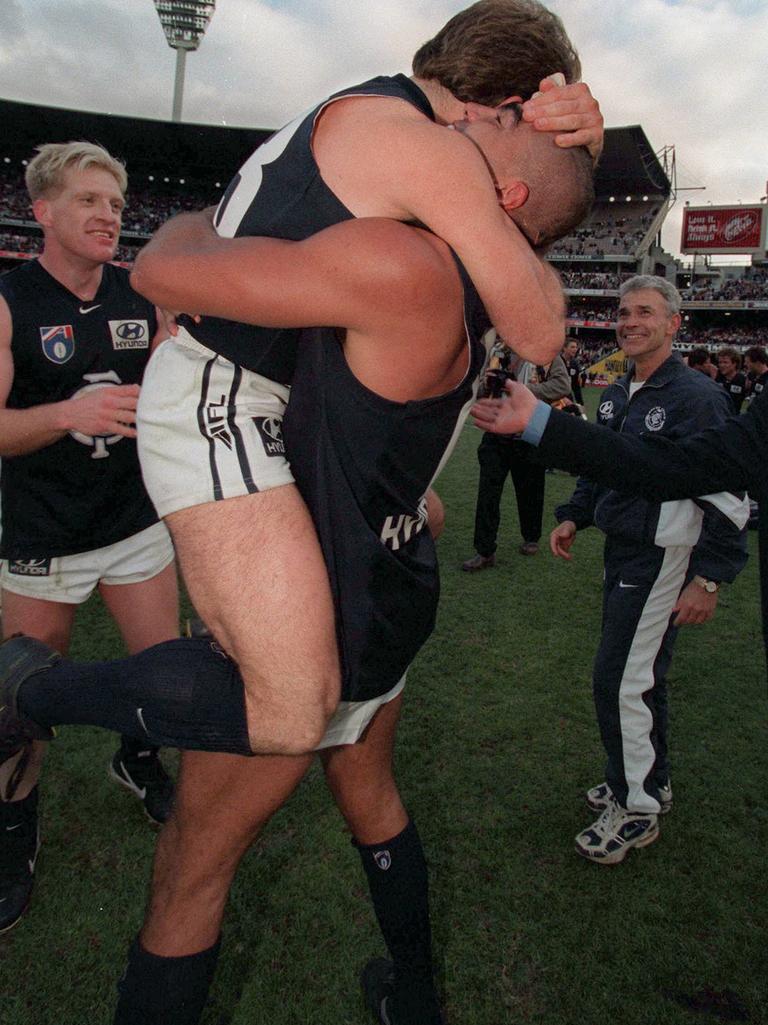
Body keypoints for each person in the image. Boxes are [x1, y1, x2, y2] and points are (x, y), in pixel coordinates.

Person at [0, 121, 596, 1022]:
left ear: (502, 194)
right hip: (391, 597)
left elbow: (168, 270)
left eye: (479, 135)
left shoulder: (403, 266)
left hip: (309, 598)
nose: (443, 141)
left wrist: (205, 213)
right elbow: (412, 474)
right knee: (374, 799)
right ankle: (415, 994)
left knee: (198, 862)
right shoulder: (472, 306)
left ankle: (30, 688)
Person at [94, 0, 600, 762]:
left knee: (328, 644)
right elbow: (537, 327)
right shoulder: (429, 146)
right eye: (530, 119)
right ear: (508, 105)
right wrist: (563, 159)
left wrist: (566, 159)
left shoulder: (370, 111)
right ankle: (36, 690)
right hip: (226, 387)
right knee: (294, 706)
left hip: (265, 394)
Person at [475, 276, 748, 865]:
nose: (629, 321)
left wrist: (709, 577)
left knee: (621, 679)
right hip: (626, 550)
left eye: (645, 312)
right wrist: (576, 513)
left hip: (662, 558)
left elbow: (730, 491)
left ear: (675, 324)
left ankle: (637, 805)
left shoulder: (696, 397)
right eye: (624, 312)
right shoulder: (620, 388)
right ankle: (646, 777)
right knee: (636, 675)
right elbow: (610, 459)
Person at [0, 142, 179, 932]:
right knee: (19, 710)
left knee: (166, 677)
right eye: (89, 200)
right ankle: (12, 840)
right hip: (41, 538)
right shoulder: (8, 302)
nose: (109, 214)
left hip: (133, 527)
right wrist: (65, 415)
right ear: (43, 212)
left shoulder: (142, 295)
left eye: (116, 202)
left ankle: (135, 756)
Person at [462, 340, 570, 568]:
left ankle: (531, 537)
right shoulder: (495, 351)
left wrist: (522, 391)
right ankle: (484, 550)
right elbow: (479, 387)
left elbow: (562, 385)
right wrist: (487, 386)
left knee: (530, 490)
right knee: (487, 494)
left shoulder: (544, 352)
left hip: (528, 434)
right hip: (496, 433)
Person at [716, 346, 747, 412]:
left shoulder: (743, 380)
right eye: (720, 362)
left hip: (733, 419)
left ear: (734, 364)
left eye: (725, 362)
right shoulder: (716, 377)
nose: (721, 365)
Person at [562, 336, 585, 404]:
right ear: (564, 348)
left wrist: (580, 403)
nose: (575, 349)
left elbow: (576, 386)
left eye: (576, 347)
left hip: (568, 396)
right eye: (572, 347)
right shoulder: (556, 362)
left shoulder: (575, 364)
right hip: (555, 397)